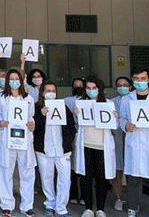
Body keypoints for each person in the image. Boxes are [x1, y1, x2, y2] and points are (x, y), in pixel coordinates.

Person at [118, 67, 149, 217]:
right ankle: (132, 209)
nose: (139, 82)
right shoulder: (126, 99)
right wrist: (125, 126)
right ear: (132, 80)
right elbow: (121, 119)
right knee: (133, 180)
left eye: (142, 79)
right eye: (136, 79)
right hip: (134, 143)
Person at [0, 69, 36, 217]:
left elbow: (31, 116)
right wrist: (0, 121)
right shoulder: (1, 97)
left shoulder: (28, 98)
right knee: (6, 171)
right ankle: (7, 205)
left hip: (24, 139)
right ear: (7, 81)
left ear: (21, 80)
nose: (14, 81)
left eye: (16, 78)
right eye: (11, 78)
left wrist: (32, 124)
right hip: (7, 138)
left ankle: (27, 206)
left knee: (27, 172)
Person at [74, 77, 117, 217]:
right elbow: (78, 123)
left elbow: (113, 125)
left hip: (102, 146)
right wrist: (76, 115)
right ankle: (88, 208)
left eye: (94, 88)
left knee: (101, 179)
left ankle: (100, 209)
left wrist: (115, 116)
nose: (91, 91)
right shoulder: (80, 103)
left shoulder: (108, 103)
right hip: (86, 144)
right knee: (86, 177)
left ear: (100, 89)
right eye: (88, 88)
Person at [33, 81, 76, 217]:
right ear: (43, 93)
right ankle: (50, 203)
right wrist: (41, 115)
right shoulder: (37, 107)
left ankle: (61, 207)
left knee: (65, 179)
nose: (50, 93)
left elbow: (71, 127)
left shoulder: (63, 107)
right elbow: (32, 127)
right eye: (48, 90)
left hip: (62, 149)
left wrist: (68, 142)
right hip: (44, 149)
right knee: (47, 177)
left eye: (53, 90)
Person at [111, 76, 132, 211]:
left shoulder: (135, 100)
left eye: (125, 84)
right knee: (117, 170)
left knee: (133, 173)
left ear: (130, 86)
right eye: (119, 85)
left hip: (132, 136)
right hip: (117, 137)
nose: (122, 87)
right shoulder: (112, 102)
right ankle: (118, 198)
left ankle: (132, 200)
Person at [65, 77, 85, 206]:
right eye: (75, 85)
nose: (78, 87)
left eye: (80, 85)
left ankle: (84, 196)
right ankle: (73, 194)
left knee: (83, 168)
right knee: (71, 168)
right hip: (71, 134)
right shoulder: (67, 100)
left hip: (84, 135)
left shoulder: (88, 101)